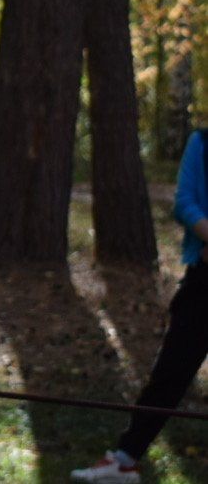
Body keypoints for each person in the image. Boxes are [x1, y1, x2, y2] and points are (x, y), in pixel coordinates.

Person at [71, 128, 208, 481]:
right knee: (171, 371)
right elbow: (185, 203)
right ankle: (125, 459)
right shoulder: (203, 141)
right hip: (204, 280)